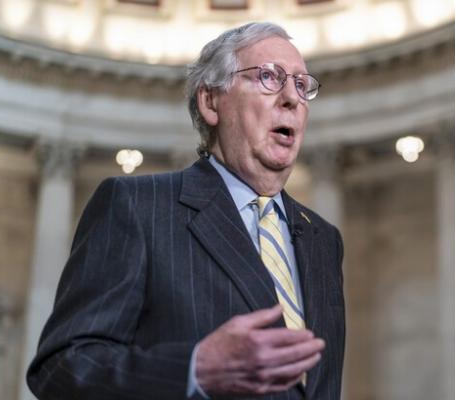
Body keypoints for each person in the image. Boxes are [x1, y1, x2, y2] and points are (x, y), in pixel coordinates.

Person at [26, 22, 345, 399]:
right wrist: (195, 370)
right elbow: (62, 368)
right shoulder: (137, 206)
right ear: (210, 102)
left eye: (302, 85)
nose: (292, 97)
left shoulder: (324, 238)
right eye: (268, 77)